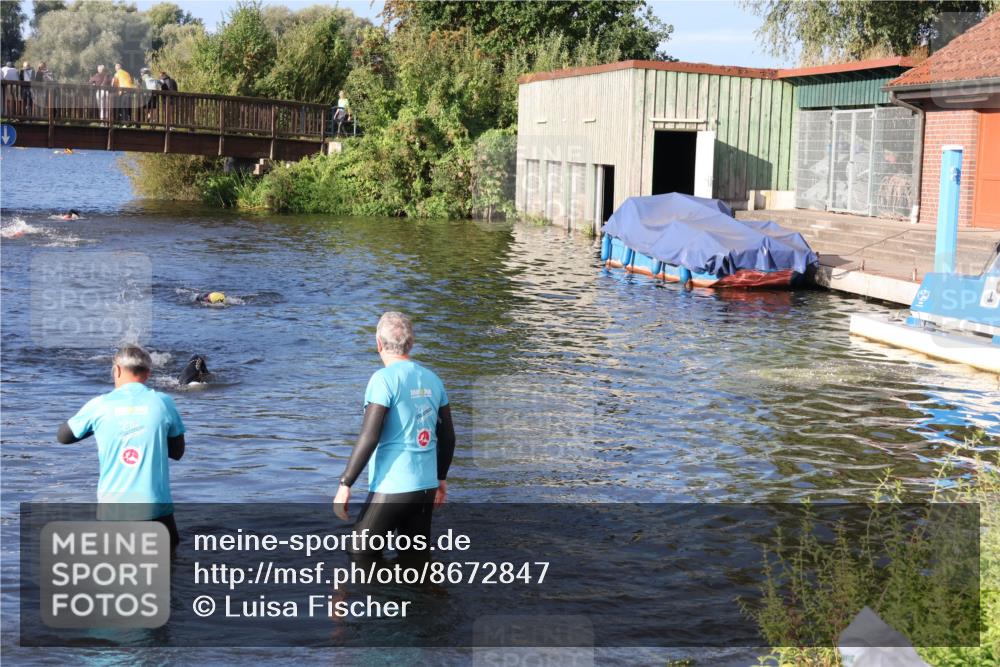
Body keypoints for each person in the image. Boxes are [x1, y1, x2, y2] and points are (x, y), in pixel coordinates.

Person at [333, 312, 456, 558]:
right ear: (411, 343)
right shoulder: (432, 379)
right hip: (426, 487)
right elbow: (448, 437)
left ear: (378, 343)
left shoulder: (382, 380)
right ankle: (421, 595)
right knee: (415, 561)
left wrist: (345, 483)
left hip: (392, 487)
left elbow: (370, 436)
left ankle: (380, 595)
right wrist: (440, 479)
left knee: (360, 556)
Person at [55, 345, 186, 549]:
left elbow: (63, 437)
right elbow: (177, 453)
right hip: (156, 511)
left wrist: (97, 428)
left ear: (116, 370)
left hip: (114, 512)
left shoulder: (99, 405)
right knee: (168, 573)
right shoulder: (163, 403)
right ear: (148, 373)